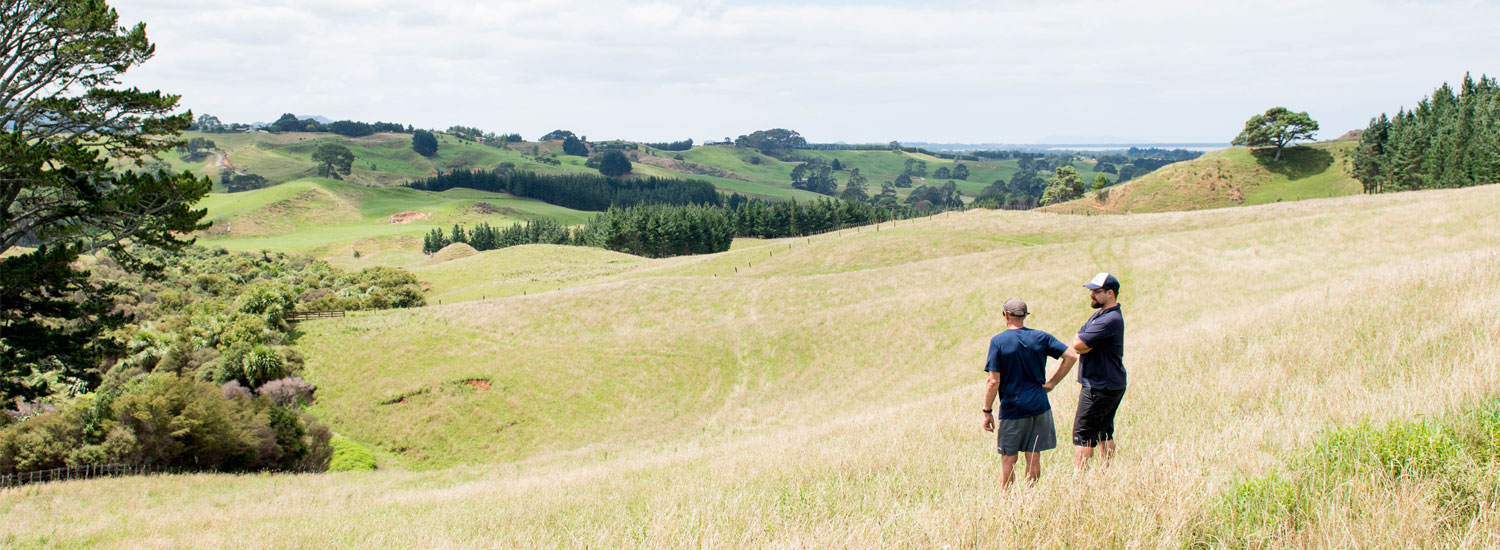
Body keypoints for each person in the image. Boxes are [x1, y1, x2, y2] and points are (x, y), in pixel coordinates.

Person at [982, 297, 1080, 488]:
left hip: (1013, 409)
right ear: (1025, 316)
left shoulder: (998, 341)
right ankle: (1031, 496)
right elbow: (1070, 356)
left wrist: (987, 411)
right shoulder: (1041, 337)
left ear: (1006, 316)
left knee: (1009, 459)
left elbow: (993, 381)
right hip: (1039, 406)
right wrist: (1051, 383)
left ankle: (1007, 501)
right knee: (1033, 456)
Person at [1071, 272, 1126, 470]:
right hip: (1111, 383)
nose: (1091, 295)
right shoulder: (1101, 315)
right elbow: (1081, 340)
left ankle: (1081, 481)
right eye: (1091, 291)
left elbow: (1078, 343)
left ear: (1110, 293)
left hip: (1099, 386)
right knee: (1104, 431)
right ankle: (1106, 472)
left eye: (1096, 291)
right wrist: (1084, 342)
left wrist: (1083, 342)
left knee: (1083, 435)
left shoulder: (1108, 319)